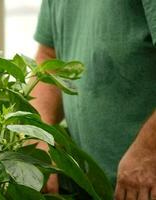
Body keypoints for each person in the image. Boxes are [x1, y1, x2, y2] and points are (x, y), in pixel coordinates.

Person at [31, 0, 156, 199]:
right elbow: (49, 58)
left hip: (143, 188)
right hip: (89, 186)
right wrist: (38, 136)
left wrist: (150, 151)